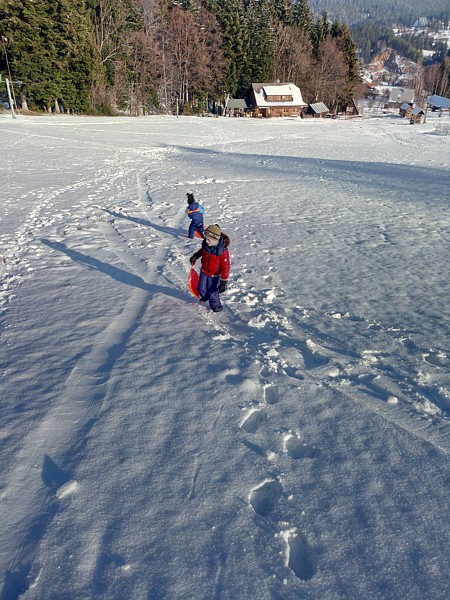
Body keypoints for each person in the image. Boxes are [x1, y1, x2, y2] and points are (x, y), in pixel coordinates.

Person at [190, 224, 230, 313]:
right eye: (206, 238)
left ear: (215, 239)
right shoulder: (206, 245)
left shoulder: (222, 251)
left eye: (209, 239)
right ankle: (205, 297)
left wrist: (224, 281)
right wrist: (196, 256)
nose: (206, 241)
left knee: (213, 292)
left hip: (215, 275)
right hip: (204, 271)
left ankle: (216, 306)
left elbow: (225, 267)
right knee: (200, 288)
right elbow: (202, 251)